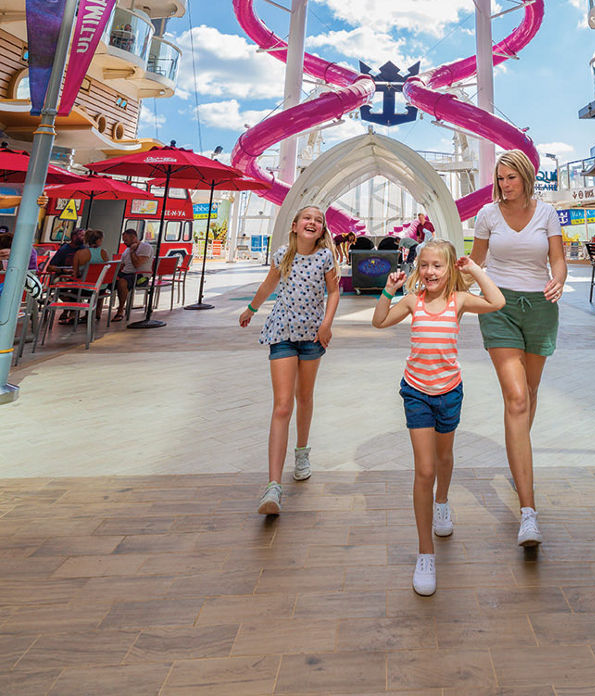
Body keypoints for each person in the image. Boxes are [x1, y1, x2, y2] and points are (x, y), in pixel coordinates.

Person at [372, 239, 505, 597]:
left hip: (449, 392)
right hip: (415, 392)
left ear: (450, 270)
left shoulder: (457, 301)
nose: (430, 272)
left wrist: (475, 269)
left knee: (444, 458)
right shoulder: (413, 301)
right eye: (425, 265)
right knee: (425, 469)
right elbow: (379, 321)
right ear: (418, 269)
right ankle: (425, 553)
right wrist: (388, 291)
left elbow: (497, 301)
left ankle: (442, 502)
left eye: (438, 266)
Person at [471, 148, 567, 549]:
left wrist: (559, 280)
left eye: (511, 178)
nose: (504, 185)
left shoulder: (547, 213)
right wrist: (441, 292)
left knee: (529, 392)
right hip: (499, 307)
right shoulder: (487, 215)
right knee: (515, 398)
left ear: (526, 177)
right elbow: (475, 263)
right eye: (501, 178)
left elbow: (557, 261)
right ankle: (528, 513)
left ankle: (518, 461)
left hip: (541, 307)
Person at [239, 206, 339, 517]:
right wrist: (251, 309)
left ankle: (302, 453)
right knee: (282, 405)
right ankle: (273, 486)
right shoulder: (282, 254)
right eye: (307, 218)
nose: (312, 222)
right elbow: (269, 285)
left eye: (318, 220)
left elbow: (334, 292)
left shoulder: (325, 257)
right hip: (281, 330)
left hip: (312, 336)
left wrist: (326, 324)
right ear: (294, 226)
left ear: (322, 230)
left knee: (304, 397)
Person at [114, 228, 153, 321]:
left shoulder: (145, 247)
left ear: (134, 238)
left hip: (140, 276)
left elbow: (137, 264)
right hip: (125, 273)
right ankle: (96, 312)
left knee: (122, 282)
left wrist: (132, 251)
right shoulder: (126, 250)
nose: (124, 243)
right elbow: (122, 265)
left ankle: (120, 310)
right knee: (104, 281)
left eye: (126, 240)